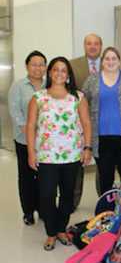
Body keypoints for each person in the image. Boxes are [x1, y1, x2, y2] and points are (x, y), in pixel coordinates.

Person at [26, 56, 92, 251]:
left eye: (64, 70)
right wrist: (31, 152)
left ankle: (61, 229)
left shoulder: (78, 97)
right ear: (50, 72)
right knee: (46, 196)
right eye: (56, 70)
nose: (59, 73)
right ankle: (51, 231)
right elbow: (30, 126)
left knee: (67, 196)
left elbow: (87, 123)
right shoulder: (38, 97)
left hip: (72, 155)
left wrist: (87, 147)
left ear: (68, 75)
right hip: (46, 156)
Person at [83, 47, 121, 195]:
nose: (110, 62)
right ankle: (106, 211)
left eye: (114, 58)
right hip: (101, 139)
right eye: (107, 59)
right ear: (102, 62)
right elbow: (82, 105)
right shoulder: (92, 80)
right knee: (105, 180)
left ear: (119, 61)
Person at [8, 50, 47, 226]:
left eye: (41, 64)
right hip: (24, 140)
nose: (38, 68)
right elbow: (15, 113)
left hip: (47, 143)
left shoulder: (50, 85)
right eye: (34, 64)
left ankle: (43, 208)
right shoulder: (18, 86)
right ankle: (28, 211)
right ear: (27, 66)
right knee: (26, 176)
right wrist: (29, 132)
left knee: (45, 177)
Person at [70, 33, 103, 205]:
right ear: (84, 45)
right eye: (89, 43)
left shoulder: (109, 63)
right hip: (79, 123)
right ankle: (73, 201)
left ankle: (103, 199)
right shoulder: (73, 65)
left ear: (101, 46)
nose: (92, 46)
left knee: (102, 163)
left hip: (103, 122)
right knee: (78, 163)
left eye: (96, 43)